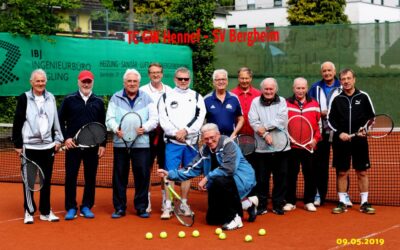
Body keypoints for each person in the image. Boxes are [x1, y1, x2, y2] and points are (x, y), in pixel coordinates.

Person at [157, 123, 258, 230]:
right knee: (212, 220)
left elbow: (228, 169)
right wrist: (170, 174)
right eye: (206, 139)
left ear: (218, 135)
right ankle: (248, 204)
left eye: (212, 138)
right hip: (220, 184)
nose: (209, 141)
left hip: (243, 180)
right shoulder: (205, 151)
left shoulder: (229, 144)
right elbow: (191, 169)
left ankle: (235, 218)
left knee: (221, 179)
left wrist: (206, 178)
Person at [12, 69, 64, 224]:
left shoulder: (51, 98)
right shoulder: (24, 98)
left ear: (46, 82)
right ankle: (29, 210)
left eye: (42, 81)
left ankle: (46, 212)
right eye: (37, 81)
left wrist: (58, 139)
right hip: (29, 147)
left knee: (46, 181)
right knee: (28, 181)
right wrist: (18, 144)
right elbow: (18, 121)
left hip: (48, 147)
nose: (40, 83)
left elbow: (56, 119)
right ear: (31, 82)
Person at [106, 68, 158, 219]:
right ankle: (119, 208)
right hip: (120, 144)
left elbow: (154, 119)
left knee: (142, 176)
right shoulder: (115, 97)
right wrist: (116, 129)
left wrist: (145, 128)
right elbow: (109, 119)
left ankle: (141, 207)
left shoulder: (147, 98)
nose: (132, 84)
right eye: (129, 81)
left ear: (139, 82)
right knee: (119, 177)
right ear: (124, 82)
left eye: (135, 81)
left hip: (142, 143)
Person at [158, 67, 206, 220]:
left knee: (186, 175)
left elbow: (200, 117)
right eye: (180, 79)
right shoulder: (165, 96)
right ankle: (168, 204)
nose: (183, 81)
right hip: (173, 144)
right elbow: (163, 119)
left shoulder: (197, 96)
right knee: (170, 174)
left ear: (189, 80)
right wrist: (176, 133)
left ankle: (184, 203)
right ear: (175, 80)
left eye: (186, 79)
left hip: (191, 143)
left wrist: (185, 131)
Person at [59, 70, 106, 220]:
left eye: (89, 81)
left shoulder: (98, 101)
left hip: (92, 148)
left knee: (90, 177)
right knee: (70, 177)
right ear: (78, 82)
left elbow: (102, 125)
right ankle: (71, 207)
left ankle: (86, 206)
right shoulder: (69, 99)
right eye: (83, 81)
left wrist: (103, 144)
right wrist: (66, 138)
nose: (86, 84)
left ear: (92, 82)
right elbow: (59, 121)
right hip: (73, 147)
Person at [328, 68, 376, 214]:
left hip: (359, 141)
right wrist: (339, 132)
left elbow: (371, 117)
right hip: (341, 141)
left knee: (362, 171)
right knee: (342, 172)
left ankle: (364, 203)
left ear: (354, 79)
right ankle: (342, 202)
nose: (346, 81)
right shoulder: (337, 99)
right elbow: (330, 119)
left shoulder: (363, 96)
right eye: (343, 79)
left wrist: (364, 129)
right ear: (340, 81)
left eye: (349, 78)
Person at [308, 61, 353, 207]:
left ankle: (344, 196)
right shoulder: (315, 87)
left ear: (334, 72)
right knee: (320, 165)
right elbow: (309, 105)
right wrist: (318, 112)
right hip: (321, 133)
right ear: (322, 73)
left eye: (329, 70)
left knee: (342, 165)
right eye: (324, 71)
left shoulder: (342, 86)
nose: (327, 73)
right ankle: (319, 195)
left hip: (339, 133)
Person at [248, 77, 290, 215]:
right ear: (262, 90)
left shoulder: (282, 101)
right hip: (261, 149)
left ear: (275, 89)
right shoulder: (255, 102)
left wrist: (264, 128)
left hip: (281, 147)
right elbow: (253, 121)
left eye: (271, 88)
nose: (269, 91)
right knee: (262, 179)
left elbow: (280, 120)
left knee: (281, 178)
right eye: (266, 89)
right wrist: (265, 135)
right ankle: (262, 205)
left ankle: (278, 204)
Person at [284, 77, 321, 212]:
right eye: (298, 88)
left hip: (309, 147)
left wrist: (315, 139)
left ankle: (309, 201)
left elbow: (319, 126)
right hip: (291, 147)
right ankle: (290, 201)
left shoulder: (314, 104)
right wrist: (287, 139)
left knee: (310, 174)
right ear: (293, 88)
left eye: (303, 88)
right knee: (290, 175)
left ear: (307, 88)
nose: (300, 90)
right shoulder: (286, 103)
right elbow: (282, 125)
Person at [140, 63, 172, 213]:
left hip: (166, 137)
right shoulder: (142, 91)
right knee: (146, 169)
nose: (155, 75)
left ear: (162, 74)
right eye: (153, 73)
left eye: (158, 72)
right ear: (148, 74)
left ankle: (166, 202)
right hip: (147, 136)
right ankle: (146, 200)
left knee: (164, 170)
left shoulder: (170, 91)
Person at [231, 67, 261, 166]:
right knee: (238, 167)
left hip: (256, 138)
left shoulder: (259, 95)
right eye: (242, 78)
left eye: (247, 78)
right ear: (238, 79)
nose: (244, 81)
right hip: (237, 139)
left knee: (255, 168)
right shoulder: (231, 95)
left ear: (251, 78)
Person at [204, 69, 244, 138]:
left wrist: (234, 133)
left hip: (230, 138)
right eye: (218, 80)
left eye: (223, 79)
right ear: (213, 82)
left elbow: (241, 119)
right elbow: (202, 121)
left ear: (227, 81)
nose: (221, 82)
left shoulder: (234, 98)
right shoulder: (206, 99)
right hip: (212, 139)